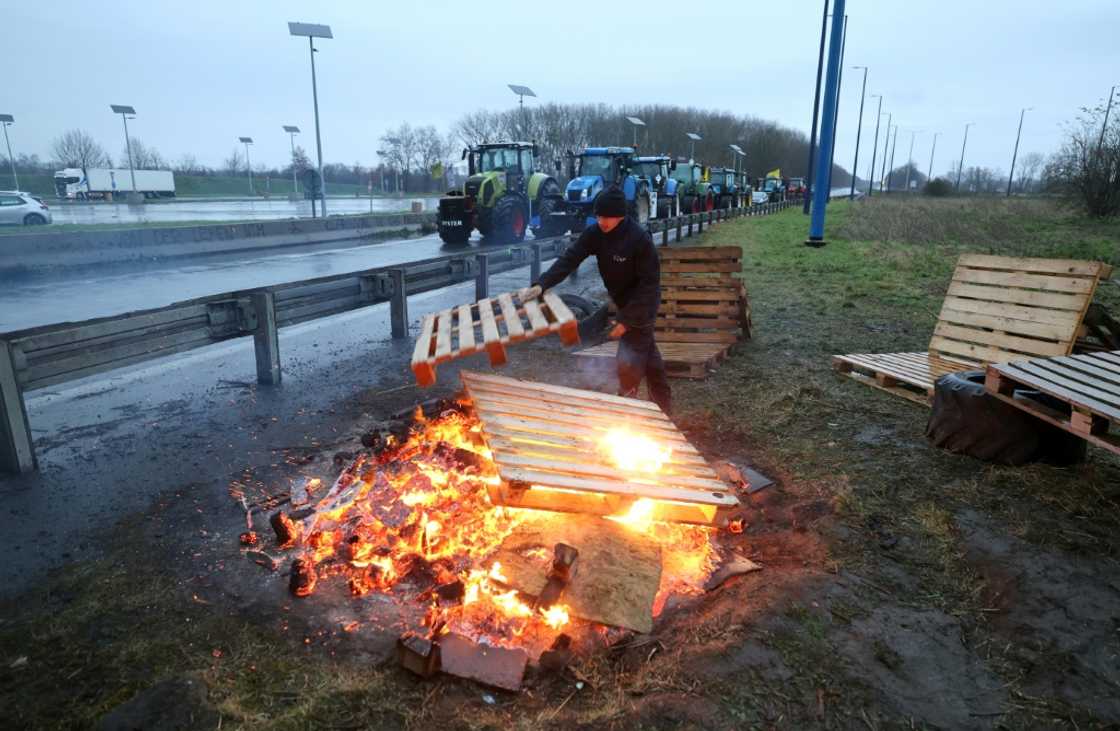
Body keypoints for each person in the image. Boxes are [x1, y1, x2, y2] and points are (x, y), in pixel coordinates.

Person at [520, 186, 671, 413]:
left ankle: (628, 410)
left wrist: (626, 321)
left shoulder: (639, 240)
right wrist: (542, 284)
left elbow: (649, 286)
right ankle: (664, 410)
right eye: (598, 216)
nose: (601, 221)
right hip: (621, 302)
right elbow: (570, 259)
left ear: (620, 215)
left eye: (607, 217)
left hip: (642, 306)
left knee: (629, 360)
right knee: (652, 362)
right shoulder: (595, 234)